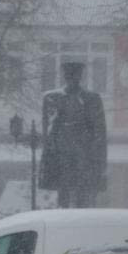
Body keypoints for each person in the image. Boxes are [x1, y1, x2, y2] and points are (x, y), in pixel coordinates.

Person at [40, 62, 108, 208]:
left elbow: (99, 131)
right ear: (65, 76)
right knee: (63, 191)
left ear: (80, 76)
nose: (72, 78)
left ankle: (79, 215)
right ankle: (64, 213)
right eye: (69, 75)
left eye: (75, 75)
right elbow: (49, 130)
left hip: (84, 153)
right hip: (61, 154)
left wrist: (96, 156)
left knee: (82, 192)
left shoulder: (92, 99)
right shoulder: (52, 98)